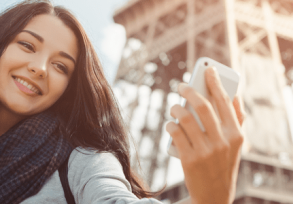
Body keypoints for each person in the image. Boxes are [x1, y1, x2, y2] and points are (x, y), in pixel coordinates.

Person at [0, 0, 245, 203]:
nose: (40, 69)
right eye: (26, 45)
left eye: (60, 66)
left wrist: (210, 198)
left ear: (68, 88)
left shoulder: (82, 162)